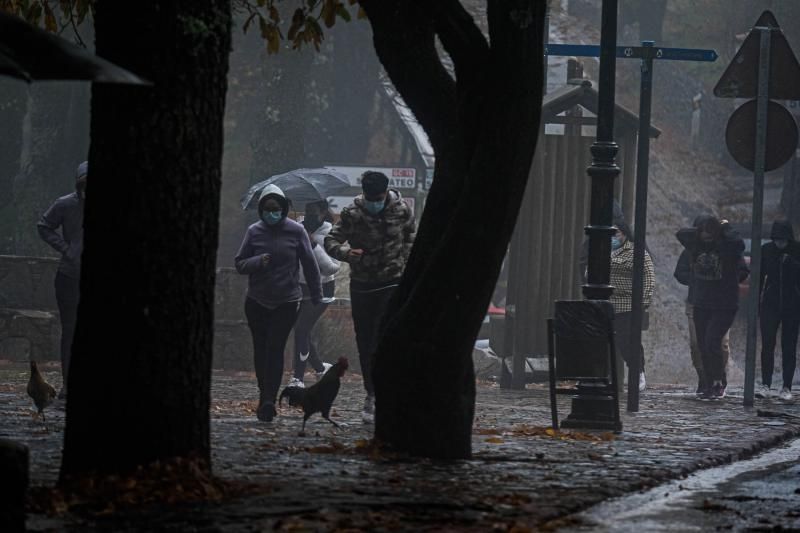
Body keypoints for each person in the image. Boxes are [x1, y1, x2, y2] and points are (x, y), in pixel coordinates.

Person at [325, 171, 416, 424]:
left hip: (392, 282)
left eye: (379, 197)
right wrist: (345, 253)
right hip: (362, 284)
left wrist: (405, 264)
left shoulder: (401, 211)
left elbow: (411, 236)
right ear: (364, 194)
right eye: (370, 197)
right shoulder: (352, 214)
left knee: (384, 337)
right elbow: (331, 240)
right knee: (365, 342)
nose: (375, 201)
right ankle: (371, 393)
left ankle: (390, 391)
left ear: (386, 192)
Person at [235, 185, 322, 422]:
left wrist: (316, 294)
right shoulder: (254, 232)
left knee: (275, 347)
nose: (272, 214)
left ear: (283, 209)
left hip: (286, 301)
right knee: (261, 349)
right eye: (267, 210)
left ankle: (269, 400)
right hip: (257, 301)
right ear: (261, 210)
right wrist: (257, 261)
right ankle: (265, 391)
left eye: (276, 209)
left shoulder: (296, 232)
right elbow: (240, 263)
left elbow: (310, 264)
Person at [677, 216, 748, 399]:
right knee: (701, 345)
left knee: (713, 341)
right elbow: (681, 234)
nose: (706, 237)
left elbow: (739, 244)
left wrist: (725, 227)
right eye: (703, 234)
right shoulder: (696, 247)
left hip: (724, 304)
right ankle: (709, 383)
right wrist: (701, 229)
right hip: (701, 302)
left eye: (710, 234)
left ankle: (718, 381)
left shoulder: (728, 249)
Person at [37, 161, 88, 399]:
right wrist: (66, 249)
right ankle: (69, 386)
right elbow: (44, 226)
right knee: (70, 330)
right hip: (69, 276)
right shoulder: (65, 204)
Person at [288, 200, 341, 388]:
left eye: (314, 213)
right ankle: (320, 368)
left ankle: (298, 377)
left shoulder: (330, 234)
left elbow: (332, 268)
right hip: (298, 288)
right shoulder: (297, 229)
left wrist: (313, 246)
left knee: (301, 329)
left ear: (323, 212)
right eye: (307, 212)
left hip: (321, 290)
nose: (310, 216)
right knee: (301, 330)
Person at [608, 218, 655, 392]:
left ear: (624, 234)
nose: (612, 237)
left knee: (627, 341)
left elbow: (648, 277)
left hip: (627, 305)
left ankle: (638, 372)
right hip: (607, 303)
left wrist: (643, 303)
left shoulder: (637, 253)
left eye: (616, 233)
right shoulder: (602, 250)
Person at [756, 219, 800, 401]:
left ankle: (786, 386)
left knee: (789, 347)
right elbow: (759, 277)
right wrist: (756, 303)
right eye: (777, 239)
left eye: (783, 239)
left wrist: (792, 264)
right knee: (767, 345)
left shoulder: (797, 250)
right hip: (770, 303)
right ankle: (766, 384)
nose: (780, 242)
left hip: (793, 304)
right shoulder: (766, 250)